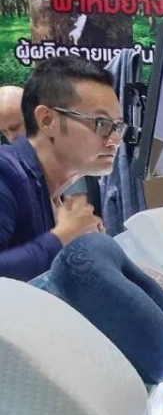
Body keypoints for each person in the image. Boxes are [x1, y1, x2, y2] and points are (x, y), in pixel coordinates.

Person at [0, 57, 120, 281]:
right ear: (47, 121)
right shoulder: (6, 174)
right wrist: (63, 236)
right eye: (101, 123)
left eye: (117, 126)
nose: (115, 140)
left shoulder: (55, 193)